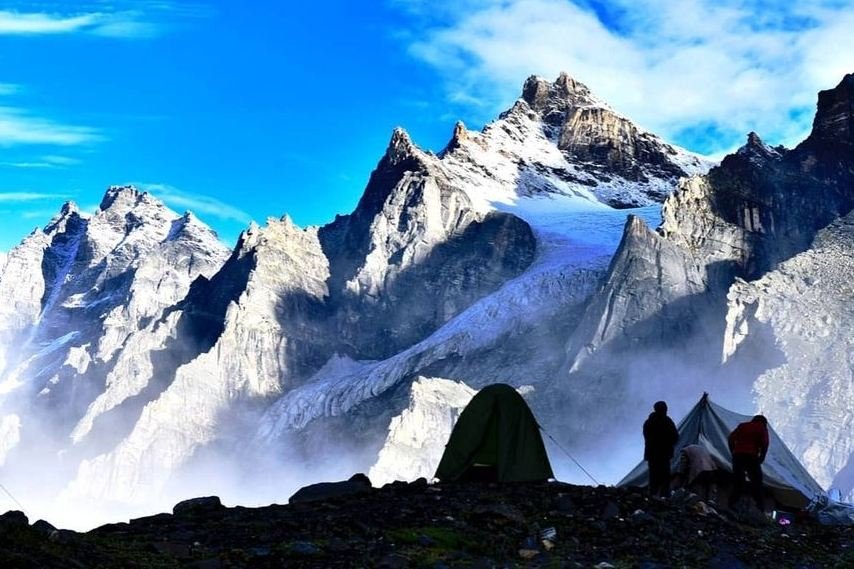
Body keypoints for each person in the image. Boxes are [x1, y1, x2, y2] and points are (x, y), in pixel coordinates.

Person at [728, 415, 769, 511]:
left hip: (738, 456)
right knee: (757, 482)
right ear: (764, 422)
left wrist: (733, 452)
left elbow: (731, 439)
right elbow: (765, 444)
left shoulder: (743, 425)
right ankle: (760, 509)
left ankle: (731, 505)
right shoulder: (762, 428)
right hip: (751, 456)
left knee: (738, 481)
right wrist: (761, 458)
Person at [643, 401, 679, 498]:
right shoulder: (667, 421)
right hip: (664, 454)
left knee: (653, 476)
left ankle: (652, 496)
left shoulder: (648, 422)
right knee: (664, 477)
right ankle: (664, 497)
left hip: (652, 454)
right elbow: (675, 436)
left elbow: (647, 437)